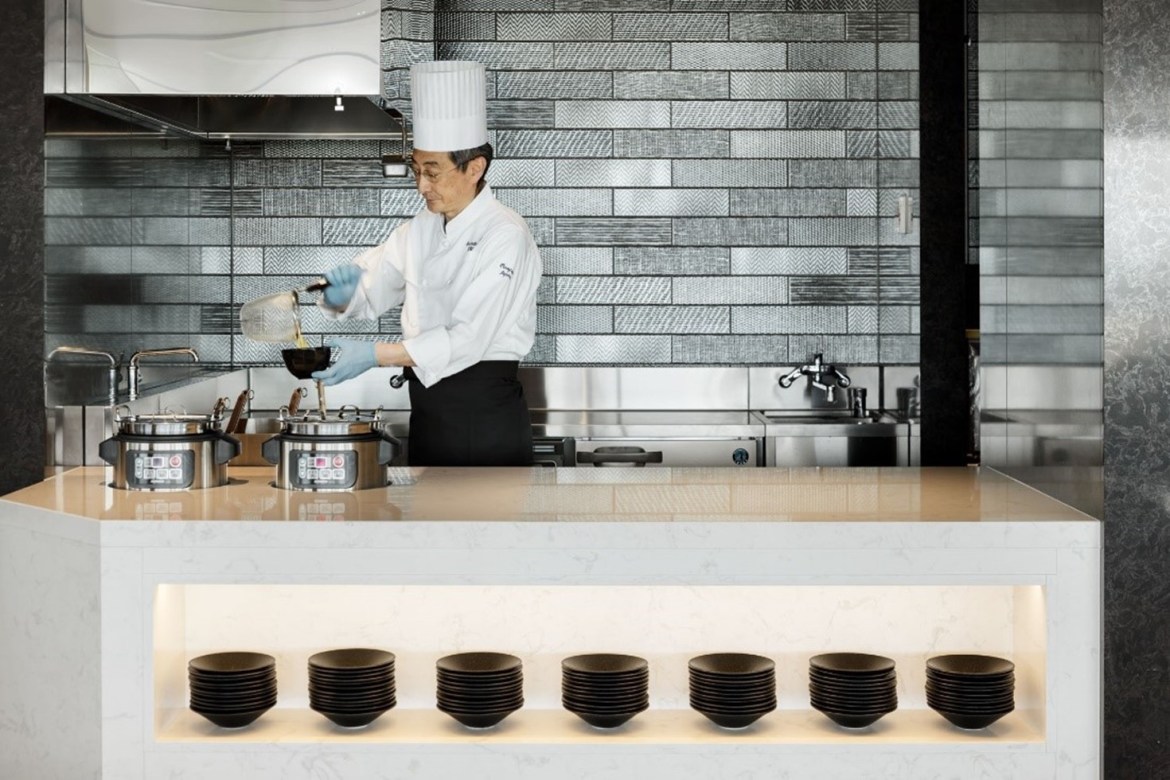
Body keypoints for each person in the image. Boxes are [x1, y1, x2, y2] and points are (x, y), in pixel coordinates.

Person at [311, 60, 542, 467]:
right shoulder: (422, 227)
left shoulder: (506, 234)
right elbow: (373, 282)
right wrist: (341, 293)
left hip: (485, 415)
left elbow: (469, 338)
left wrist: (375, 355)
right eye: (417, 171)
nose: (421, 186)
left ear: (475, 169)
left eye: (433, 173)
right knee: (430, 528)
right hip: (429, 408)